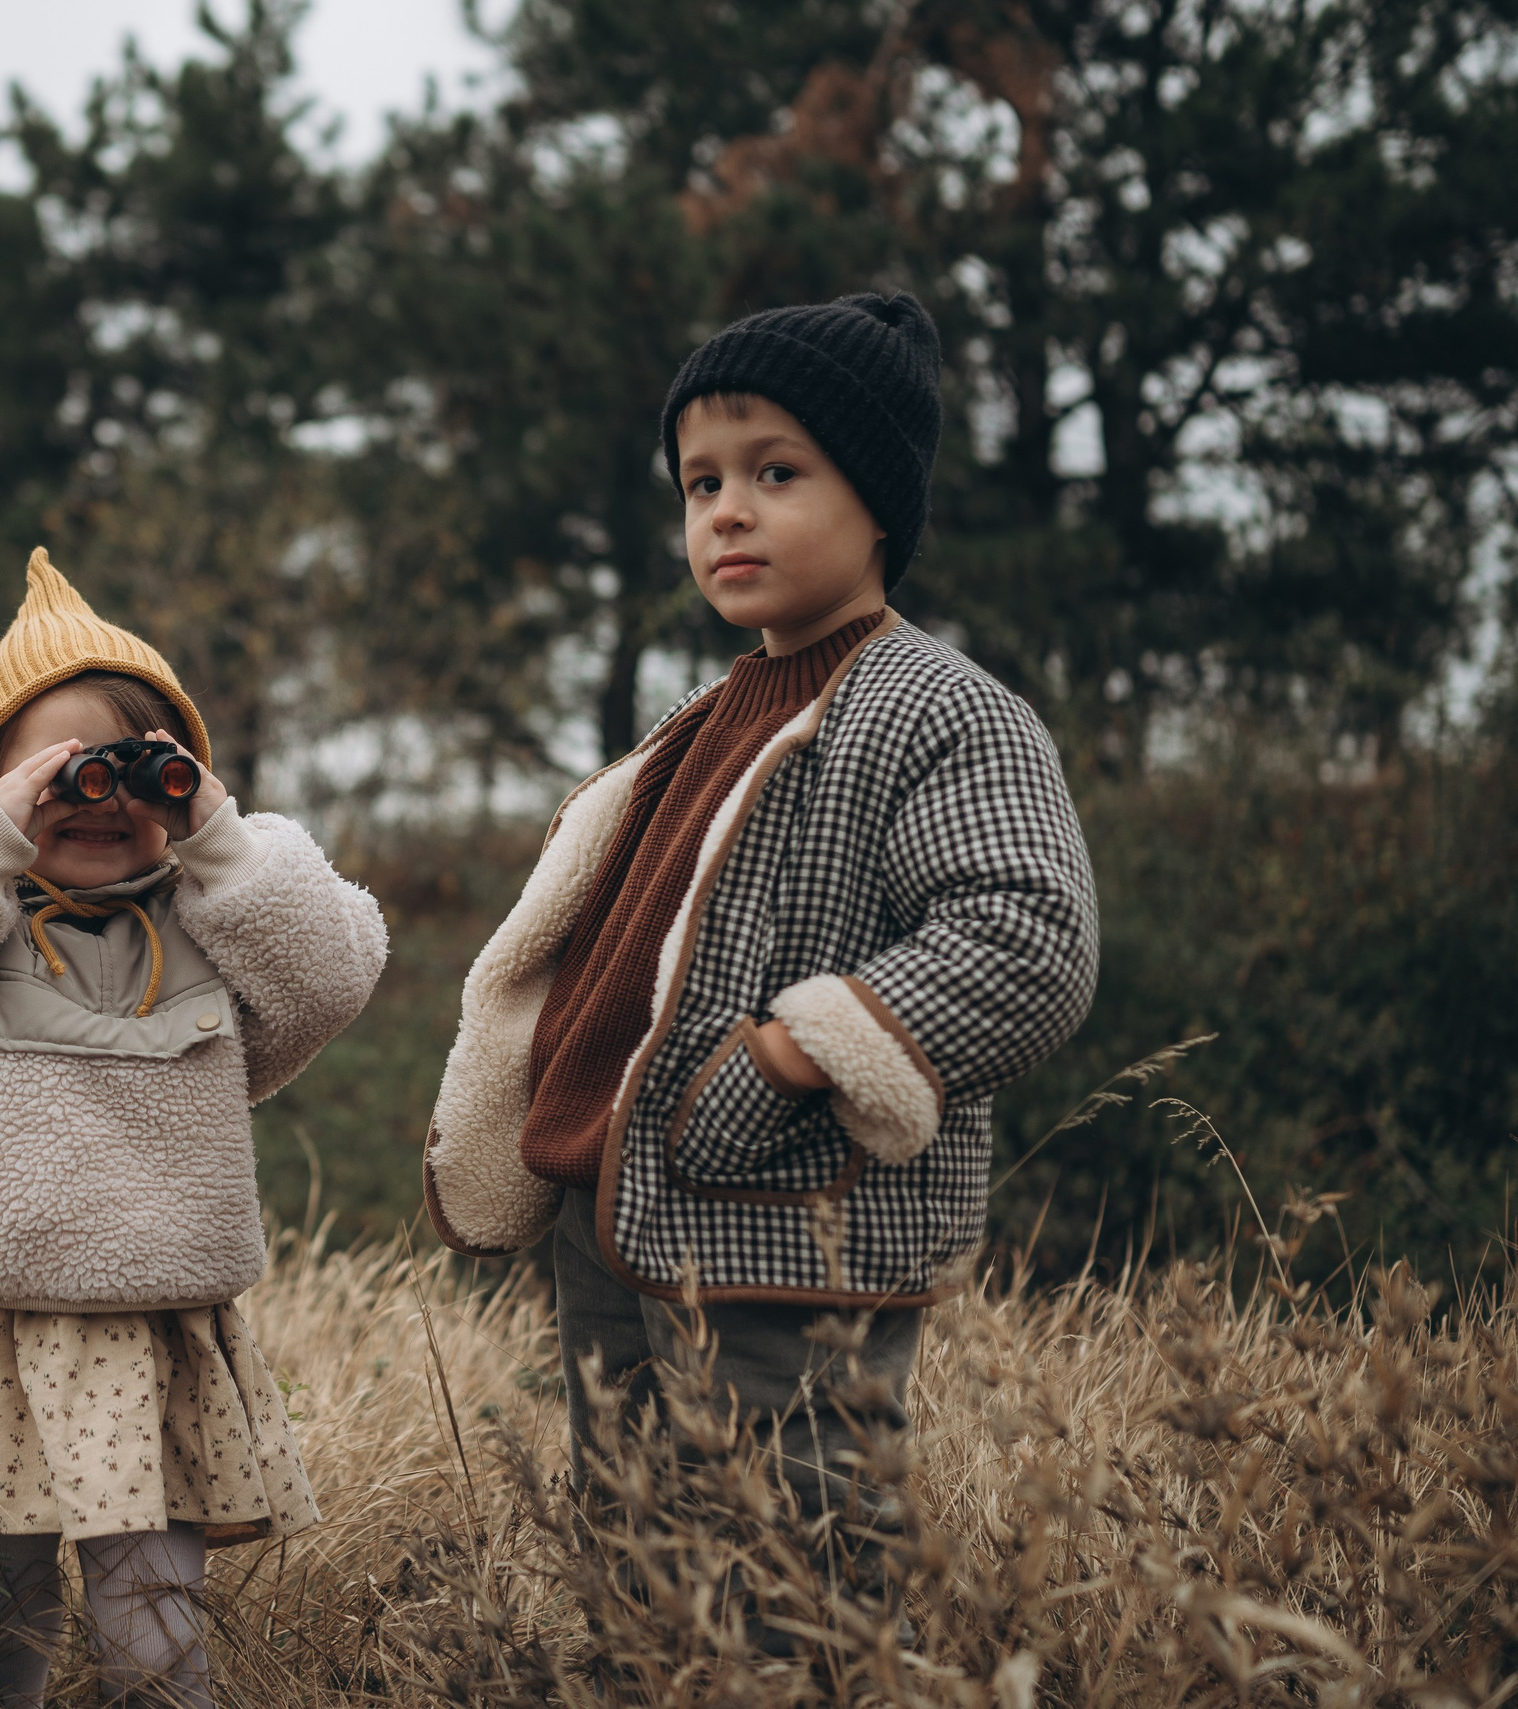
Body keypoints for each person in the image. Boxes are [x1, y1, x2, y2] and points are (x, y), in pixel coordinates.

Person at [423, 292, 1098, 1599]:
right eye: (701, 482)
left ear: (881, 501)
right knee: (638, 1561)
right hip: (618, 1214)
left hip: (794, 1219)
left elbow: (1027, 939)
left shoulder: (939, 711)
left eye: (777, 473)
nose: (726, 510)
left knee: (787, 1559)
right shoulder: (705, 717)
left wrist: (789, 1057)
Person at [0, 549, 387, 1708]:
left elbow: (331, 970)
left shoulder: (215, 920)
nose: (101, 802)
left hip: (153, 1337)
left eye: (138, 775)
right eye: (62, 774)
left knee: (151, 1635)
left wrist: (209, 827)